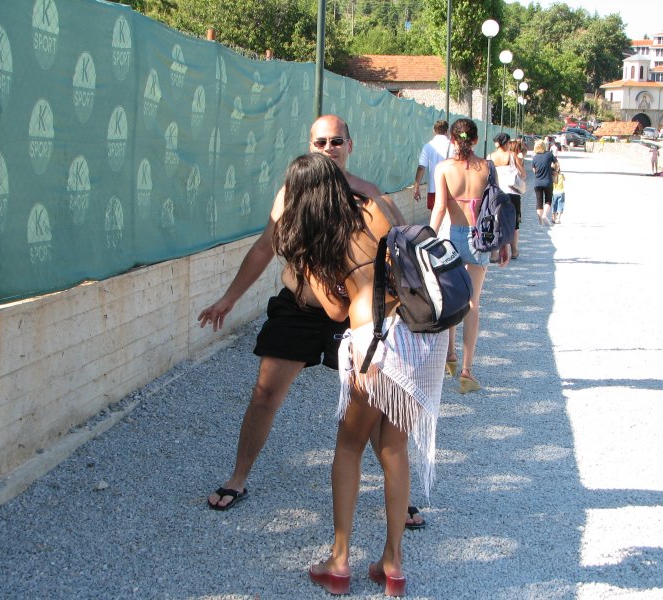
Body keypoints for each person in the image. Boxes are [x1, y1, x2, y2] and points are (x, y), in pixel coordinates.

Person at [197, 114, 427, 529]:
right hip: (300, 308)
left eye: (336, 141)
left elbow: (399, 252)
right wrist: (228, 299)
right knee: (265, 393)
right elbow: (264, 247)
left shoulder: (368, 193)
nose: (328, 149)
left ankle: (399, 495)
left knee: (377, 405)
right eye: (320, 142)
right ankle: (238, 477)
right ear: (310, 146)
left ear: (350, 145)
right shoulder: (293, 191)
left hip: (354, 314)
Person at [273, 153, 448, 597]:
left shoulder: (314, 237)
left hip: (376, 341)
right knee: (394, 446)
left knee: (349, 445)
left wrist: (319, 280)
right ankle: (393, 563)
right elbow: (407, 248)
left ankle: (339, 561)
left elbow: (335, 310)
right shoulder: (375, 208)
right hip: (422, 336)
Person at [430, 118, 510, 394]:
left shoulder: (443, 168)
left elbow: (440, 208)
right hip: (480, 237)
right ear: (475, 140)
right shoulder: (487, 167)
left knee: (452, 299)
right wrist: (504, 243)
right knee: (473, 303)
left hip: (452, 235)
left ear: (452, 140)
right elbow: (497, 206)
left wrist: (427, 238)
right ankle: (467, 371)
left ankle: (450, 355)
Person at [489, 132, 525, 260]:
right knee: (514, 223)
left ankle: (494, 254)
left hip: (496, 193)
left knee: (495, 221)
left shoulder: (490, 157)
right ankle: (514, 251)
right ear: (506, 143)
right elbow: (523, 174)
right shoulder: (512, 155)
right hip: (512, 192)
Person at [412, 120, 452, 209]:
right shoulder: (453, 146)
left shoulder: (428, 146)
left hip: (433, 188)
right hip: (450, 189)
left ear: (434, 130)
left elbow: (421, 167)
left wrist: (416, 187)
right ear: (447, 131)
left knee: (435, 214)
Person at [531, 139, 558, 225]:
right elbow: (557, 163)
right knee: (548, 200)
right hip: (548, 181)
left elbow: (534, 170)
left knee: (539, 202)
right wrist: (554, 170)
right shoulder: (549, 154)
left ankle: (540, 221)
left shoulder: (535, 157)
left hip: (537, 183)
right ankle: (545, 215)